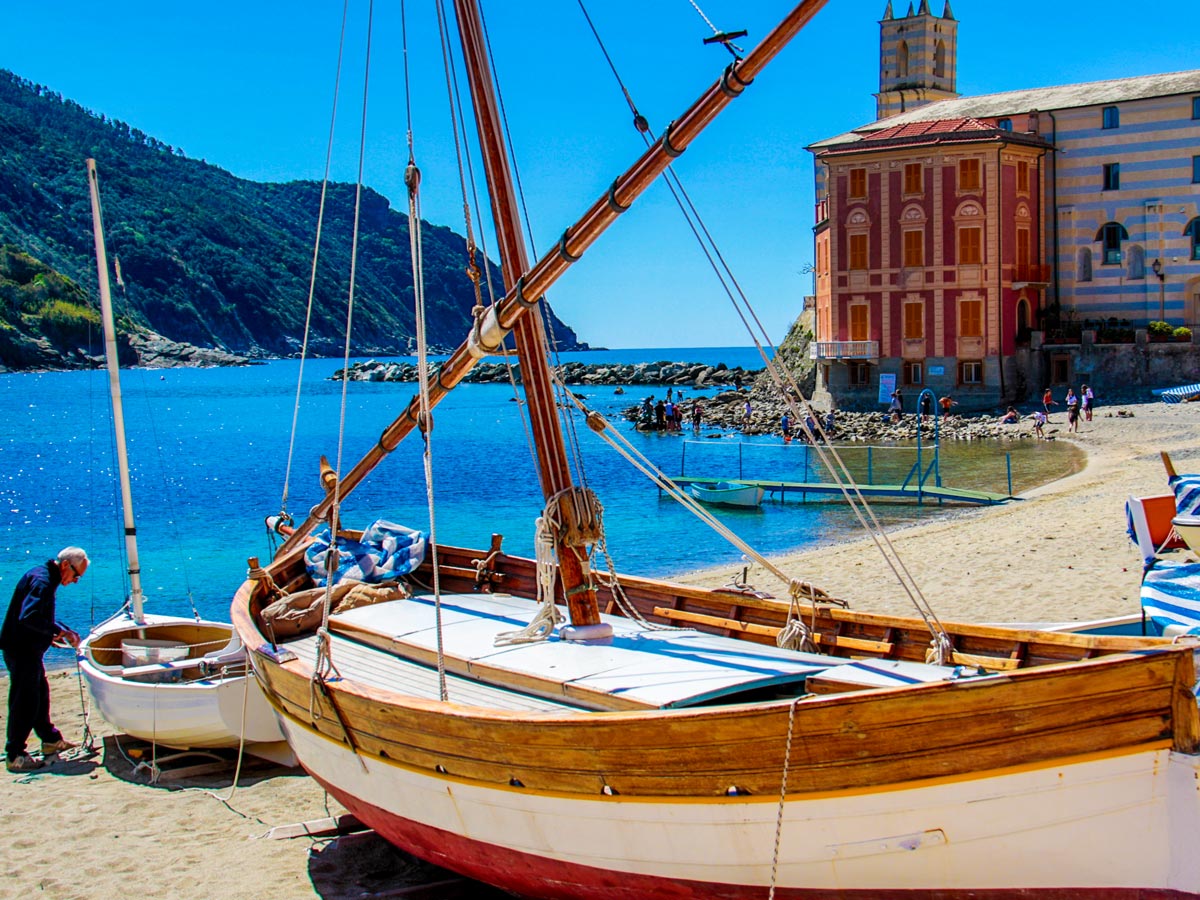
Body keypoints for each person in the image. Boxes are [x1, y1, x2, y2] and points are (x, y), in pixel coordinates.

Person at [1, 547, 86, 772]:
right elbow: (28, 616)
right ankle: (15, 754)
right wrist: (55, 632)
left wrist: (55, 631)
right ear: (66, 565)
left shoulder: (46, 577)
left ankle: (50, 740)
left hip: (27, 648)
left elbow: (39, 616)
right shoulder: (42, 581)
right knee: (25, 701)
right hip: (21, 649)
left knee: (40, 694)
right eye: (76, 575)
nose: (76, 581)